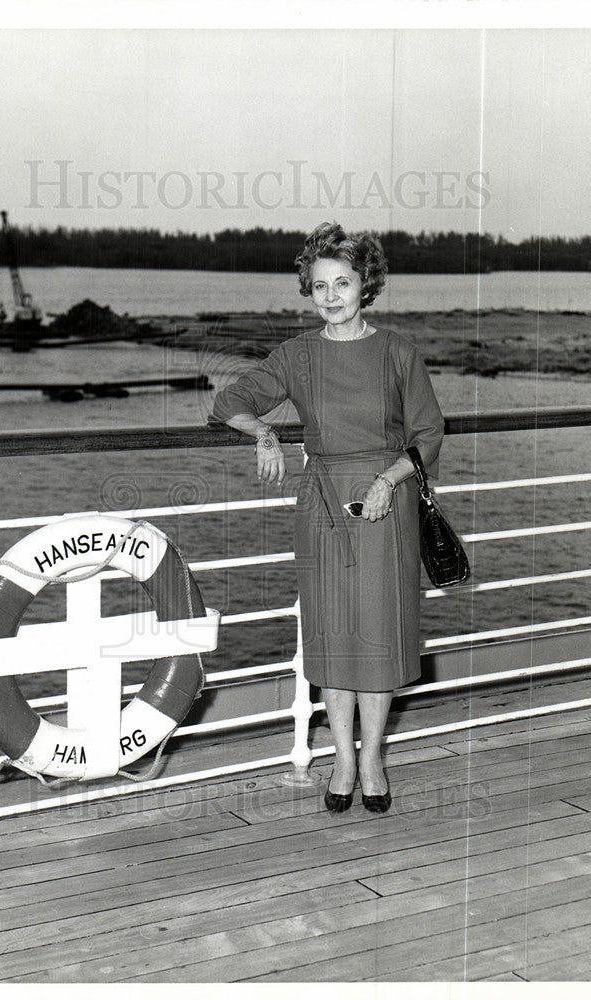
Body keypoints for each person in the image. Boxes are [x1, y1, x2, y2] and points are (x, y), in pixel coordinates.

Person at [210, 221, 444, 814]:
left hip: (384, 502)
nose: (332, 296)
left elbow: (427, 432)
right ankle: (342, 757)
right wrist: (265, 432)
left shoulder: (396, 352)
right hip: (322, 507)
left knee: (378, 634)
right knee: (334, 637)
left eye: (344, 283)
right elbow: (228, 401)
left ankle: (372, 758)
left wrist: (391, 481)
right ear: (308, 291)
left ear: (367, 285)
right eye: (320, 286)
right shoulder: (297, 355)